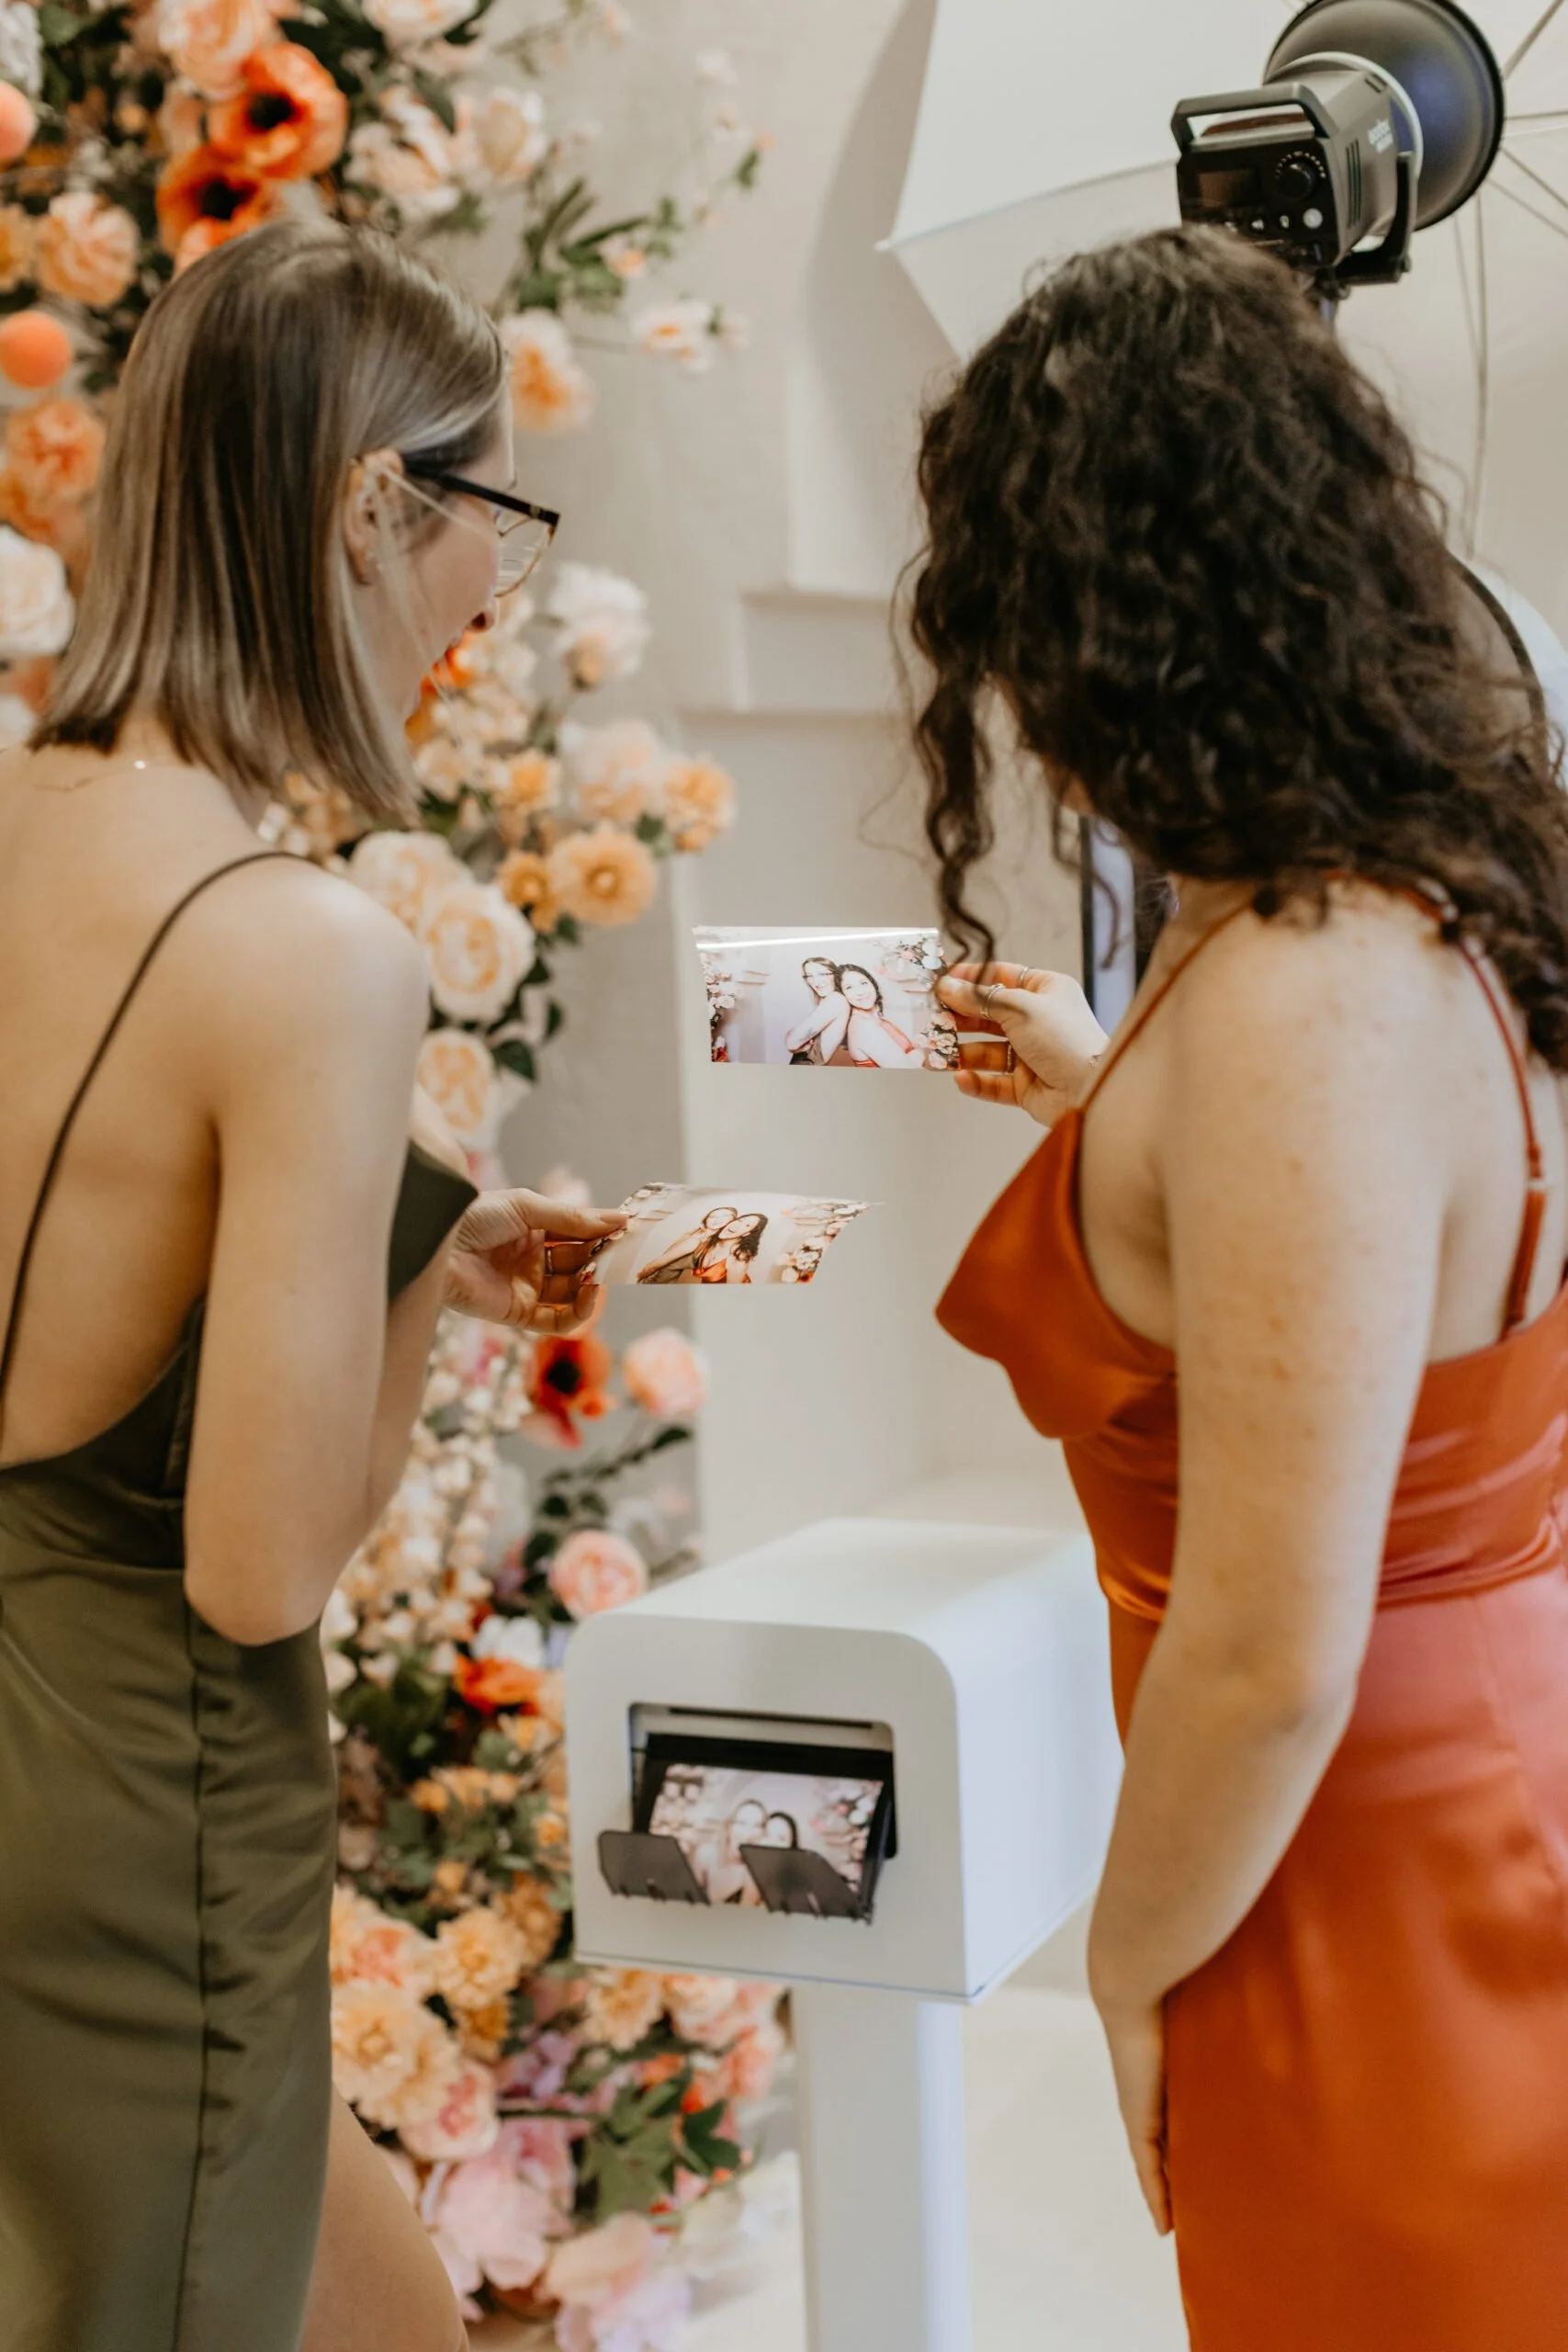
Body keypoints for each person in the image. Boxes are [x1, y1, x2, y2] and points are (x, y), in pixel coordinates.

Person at [915, 226, 1568, 2351]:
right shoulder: (1370, 924)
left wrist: (1119, 1952)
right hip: (1426, 1799)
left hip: (1372, 1869)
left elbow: (1268, 1639)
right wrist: (1129, 1100)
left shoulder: (1298, 984)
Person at [0, 219, 627, 2352]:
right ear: (376, 501)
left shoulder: (27, 815)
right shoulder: (309, 949)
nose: (490, 603)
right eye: (497, 524)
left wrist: (404, 1245)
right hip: (145, 1801)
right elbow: (255, 1569)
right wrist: (408, 1308)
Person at [834, 964, 927, 1067]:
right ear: (842, 995)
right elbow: (906, 1072)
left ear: (873, 984)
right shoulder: (865, 1027)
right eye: (849, 987)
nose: (860, 992)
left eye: (863, 983)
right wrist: (924, 1050)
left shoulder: (870, 1020)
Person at [637, 1204, 739, 1284]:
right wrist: (639, 1278)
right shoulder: (694, 1241)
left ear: (731, 1222)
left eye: (724, 1217)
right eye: (712, 1216)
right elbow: (655, 1264)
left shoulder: (704, 1238)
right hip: (656, 1281)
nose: (717, 1220)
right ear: (706, 1219)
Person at [784, 955, 849, 1063]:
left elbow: (791, 1043)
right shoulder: (827, 999)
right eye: (809, 976)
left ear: (835, 975)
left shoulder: (835, 1000)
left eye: (822, 974)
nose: (816, 982)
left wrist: (798, 1040)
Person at [694, 1212, 768, 1283]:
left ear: (747, 1233)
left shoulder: (739, 1255)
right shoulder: (708, 1241)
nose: (737, 1225)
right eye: (740, 1220)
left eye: (747, 1225)